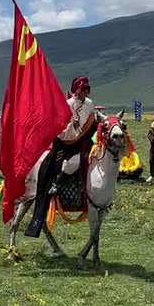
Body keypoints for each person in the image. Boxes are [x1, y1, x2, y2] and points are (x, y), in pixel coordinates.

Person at [26, 76, 97, 237]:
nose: (85, 92)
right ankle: (56, 184)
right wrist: (72, 126)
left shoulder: (90, 104)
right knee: (70, 163)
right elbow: (58, 126)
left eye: (87, 89)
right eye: (83, 89)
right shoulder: (67, 105)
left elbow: (91, 123)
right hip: (64, 142)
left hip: (81, 142)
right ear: (76, 90)